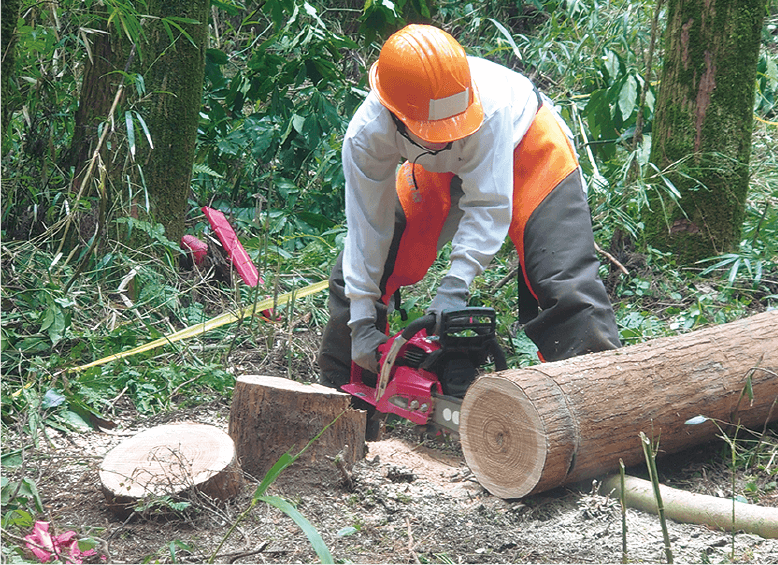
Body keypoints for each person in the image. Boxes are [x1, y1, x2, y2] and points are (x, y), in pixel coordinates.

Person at [318, 24, 621, 389]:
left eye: (454, 125)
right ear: (397, 116)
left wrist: (454, 288)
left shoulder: (492, 109)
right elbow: (368, 228)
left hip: (526, 144)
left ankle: (601, 400)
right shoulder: (366, 136)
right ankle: (341, 399)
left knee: (566, 281)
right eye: (439, 129)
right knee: (356, 276)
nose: (452, 134)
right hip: (433, 165)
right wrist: (362, 323)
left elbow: (488, 203)